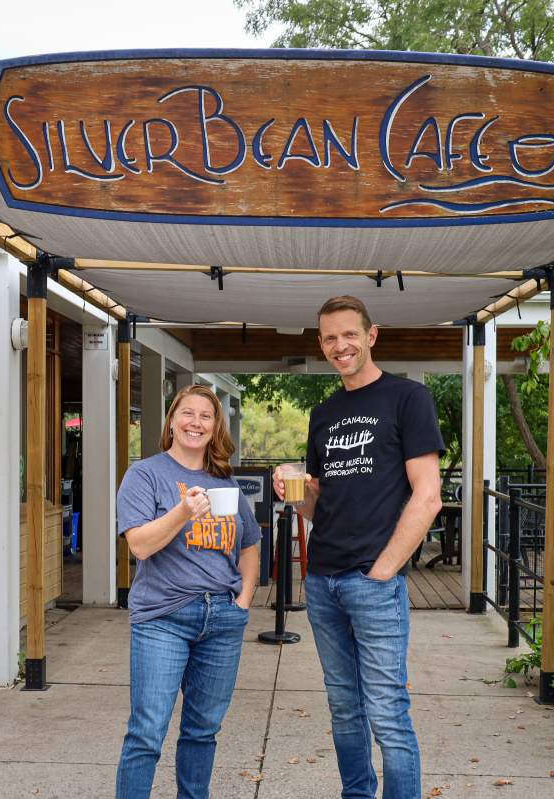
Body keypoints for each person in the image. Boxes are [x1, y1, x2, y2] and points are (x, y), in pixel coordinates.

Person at [273, 296, 444, 799]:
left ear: (371, 336)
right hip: (323, 580)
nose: (339, 346)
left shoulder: (407, 398)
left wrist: (385, 569)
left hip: (373, 581)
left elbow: (428, 495)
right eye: (329, 338)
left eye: (349, 334)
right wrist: (292, 488)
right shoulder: (324, 413)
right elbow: (317, 506)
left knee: (388, 710)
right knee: (343, 706)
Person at [115, 384, 261, 799]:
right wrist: (183, 511)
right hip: (164, 618)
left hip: (222, 620)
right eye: (188, 413)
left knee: (203, 731)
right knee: (147, 732)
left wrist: (244, 599)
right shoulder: (145, 475)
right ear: (172, 421)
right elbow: (140, 544)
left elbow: (249, 543)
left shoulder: (225, 481)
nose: (196, 422)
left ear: (215, 427)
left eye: (206, 416)